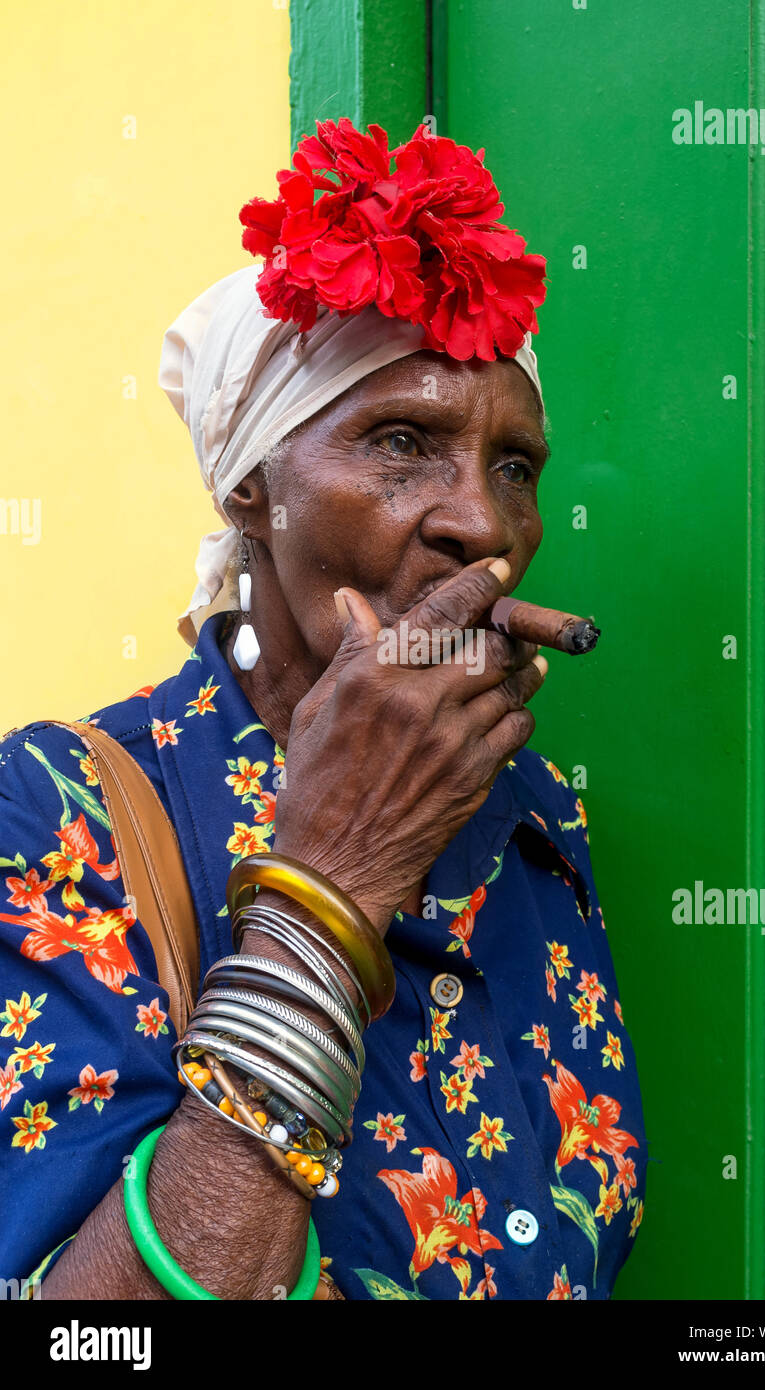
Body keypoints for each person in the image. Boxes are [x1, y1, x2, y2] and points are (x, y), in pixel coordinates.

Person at [0, 118, 647, 1301]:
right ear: (249, 482)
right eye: (401, 441)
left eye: (513, 466)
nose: (483, 526)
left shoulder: (534, 819)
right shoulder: (58, 817)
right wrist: (334, 884)